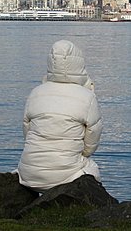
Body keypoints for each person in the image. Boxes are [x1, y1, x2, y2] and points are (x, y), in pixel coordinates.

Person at [17, 40, 102, 192]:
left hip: (28, 174)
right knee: (92, 169)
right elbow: (92, 137)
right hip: (66, 175)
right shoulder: (87, 97)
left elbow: (27, 132)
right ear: (79, 64)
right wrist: (81, 153)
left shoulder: (36, 92)